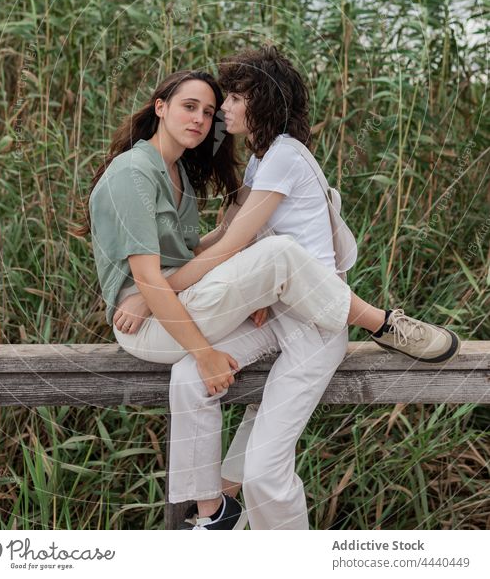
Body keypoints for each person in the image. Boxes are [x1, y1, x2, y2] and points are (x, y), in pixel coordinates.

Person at [82, 60, 459, 530]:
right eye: (193, 107)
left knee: (222, 420)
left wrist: (172, 286)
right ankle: (378, 322)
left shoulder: (273, 157)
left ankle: (215, 514)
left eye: (224, 103)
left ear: (260, 104)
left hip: (314, 321)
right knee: (271, 265)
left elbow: (227, 242)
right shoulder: (147, 171)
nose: (212, 116)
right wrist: (148, 289)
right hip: (242, 318)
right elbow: (225, 245)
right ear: (160, 108)